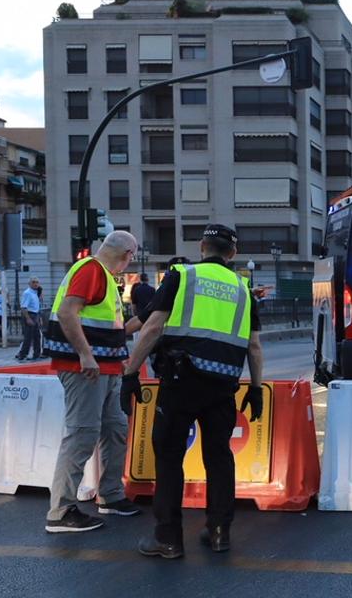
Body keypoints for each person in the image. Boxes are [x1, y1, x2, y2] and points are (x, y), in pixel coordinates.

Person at [122, 225, 263, 559]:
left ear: (202, 247)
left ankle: (168, 538)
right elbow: (254, 347)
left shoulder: (182, 276)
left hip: (180, 381)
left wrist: (130, 372)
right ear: (232, 254)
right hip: (223, 386)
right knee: (219, 458)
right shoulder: (243, 288)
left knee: (169, 456)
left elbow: (153, 327)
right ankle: (218, 533)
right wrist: (255, 388)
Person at [42, 231, 140, 533]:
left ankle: (110, 495)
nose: (131, 262)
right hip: (85, 368)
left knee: (115, 429)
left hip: (104, 368)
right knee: (82, 433)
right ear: (126, 254)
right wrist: (85, 355)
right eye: (132, 256)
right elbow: (67, 312)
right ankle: (61, 511)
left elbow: (111, 328)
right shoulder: (90, 271)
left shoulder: (104, 277)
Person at [16, 278, 43, 360]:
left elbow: (37, 307)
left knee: (37, 336)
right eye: (33, 282)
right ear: (29, 284)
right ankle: (23, 354)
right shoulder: (27, 293)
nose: (35, 284)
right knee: (28, 336)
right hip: (30, 315)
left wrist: (39, 318)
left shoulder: (35, 293)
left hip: (35, 314)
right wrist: (28, 318)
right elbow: (24, 307)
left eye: (37, 282)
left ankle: (36, 354)